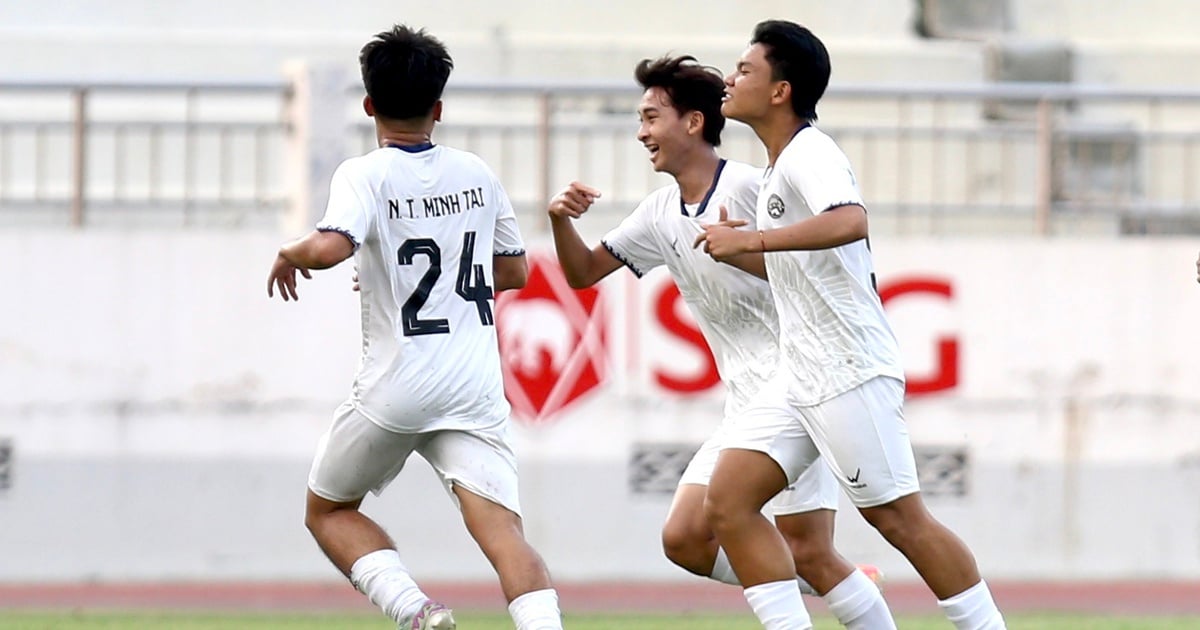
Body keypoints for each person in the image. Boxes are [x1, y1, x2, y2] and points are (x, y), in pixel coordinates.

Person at [547, 54, 894, 629]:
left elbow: (824, 270)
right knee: (685, 538)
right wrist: (562, 220)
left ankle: (827, 582)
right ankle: (835, 581)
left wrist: (749, 247)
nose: (641, 132)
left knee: (803, 546)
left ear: (693, 123)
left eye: (651, 117)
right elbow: (583, 273)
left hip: (798, 385)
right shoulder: (659, 213)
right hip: (746, 401)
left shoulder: (753, 188)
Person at [695, 20, 1006, 629]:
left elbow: (851, 221)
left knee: (898, 520)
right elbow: (808, 264)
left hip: (846, 369)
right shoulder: (779, 167)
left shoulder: (812, 151)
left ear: (781, 91)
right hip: (800, 373)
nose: (729, 80)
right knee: (728, 503)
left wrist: (755, 237)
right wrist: (742, 249)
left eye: (746, 70)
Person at [266, 25, 562, 630]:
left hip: (397, 384)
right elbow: (514, 271)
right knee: (505, 534)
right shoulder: (477, 172)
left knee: (328, 510)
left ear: (369, 104)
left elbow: (328, 250)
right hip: (473, 385)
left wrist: (290, 251)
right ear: (439, 108)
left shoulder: (365, 173)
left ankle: (416, 611)